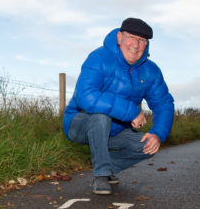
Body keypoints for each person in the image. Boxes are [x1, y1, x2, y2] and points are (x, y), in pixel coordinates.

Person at [62, 17, 175, 195]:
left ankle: (108, 168)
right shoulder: (99, 58)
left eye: (142, 40)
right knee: (101, 117)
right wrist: (131, 111)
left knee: (147, 146)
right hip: (80, 124)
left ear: (147, 44)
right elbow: (86, 96)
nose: (136, 45)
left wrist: (158, 133)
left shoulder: (150, 70)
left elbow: (163, 103)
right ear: (119, 37)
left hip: (115, 131)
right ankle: (101, 174)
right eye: (131, 37)